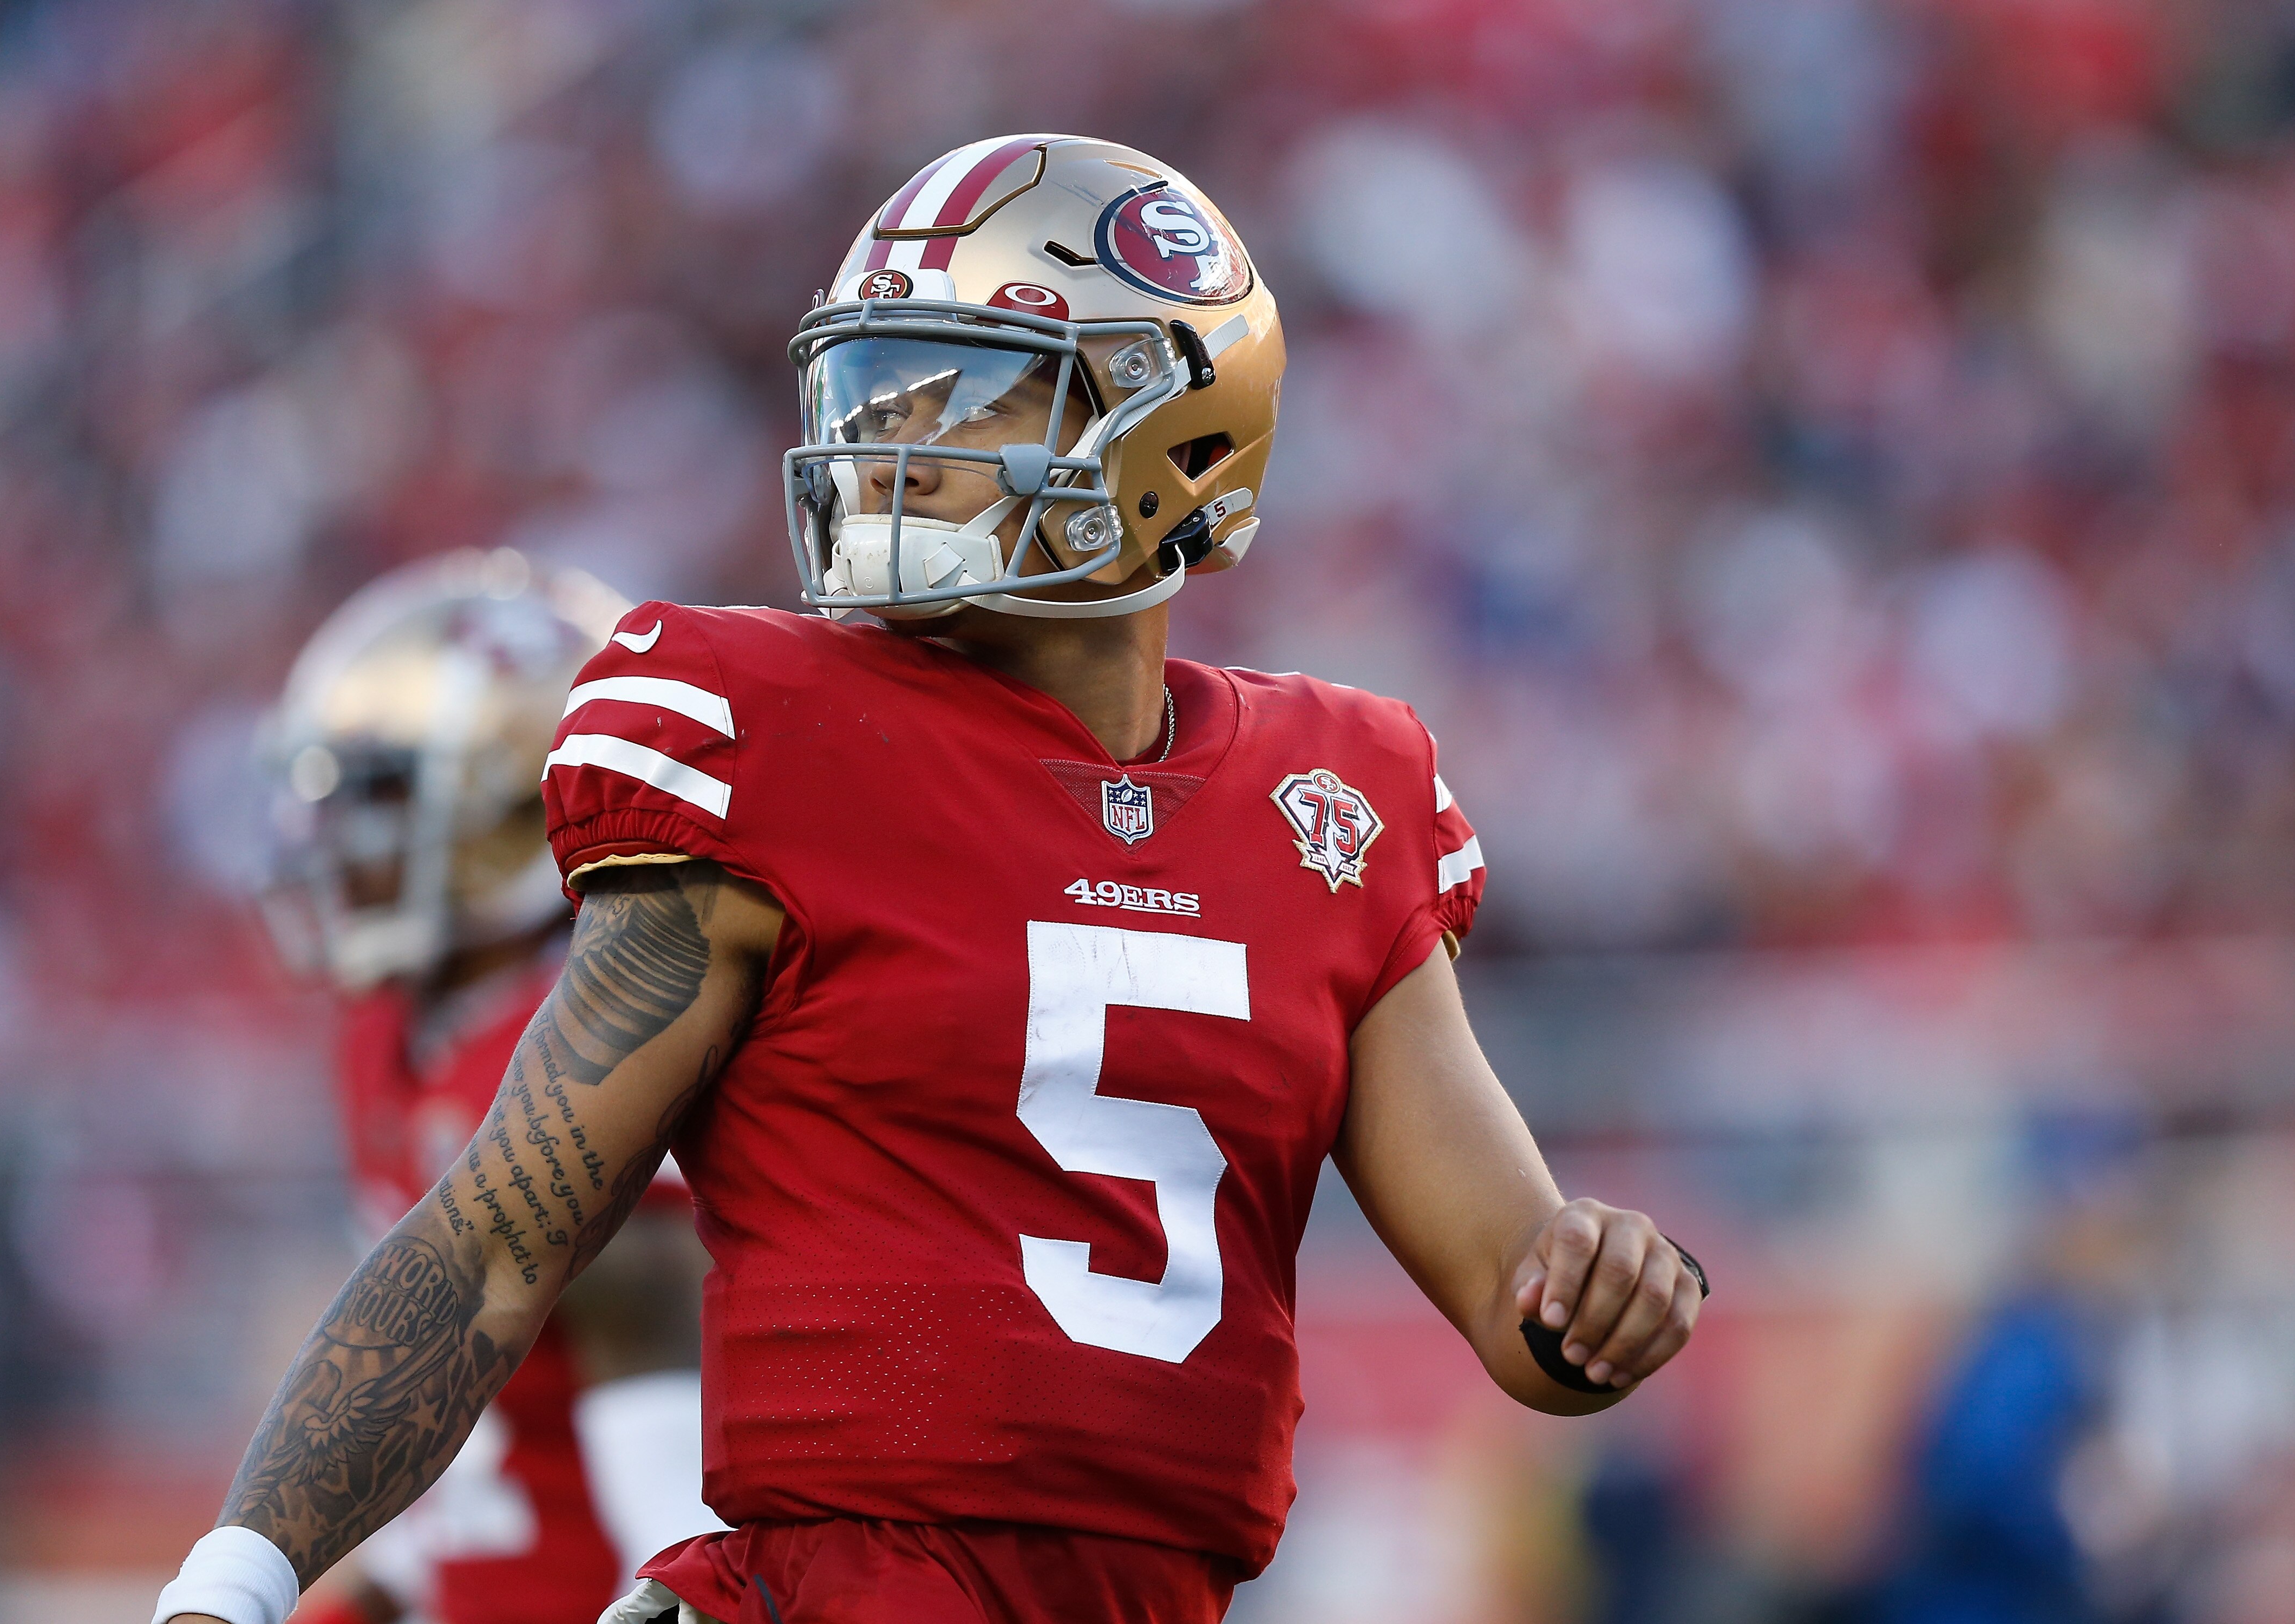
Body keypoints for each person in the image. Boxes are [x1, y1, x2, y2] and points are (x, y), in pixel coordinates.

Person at [155, 136, 1705, 1624]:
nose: (892, 441)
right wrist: (231, 1586)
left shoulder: (1332, 796)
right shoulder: (769, 730)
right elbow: (499, 1234)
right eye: (876, 386)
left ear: (1177, 427)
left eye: (966, 395)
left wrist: (1608, 1283)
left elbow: (1523, 1303)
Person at [253, 552, 723, 1624]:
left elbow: (686, 1540)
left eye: (379, 797)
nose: (331, 843)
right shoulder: (394, 1038)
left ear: (511, 805)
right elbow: (468, 1472)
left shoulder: (591, 1043)